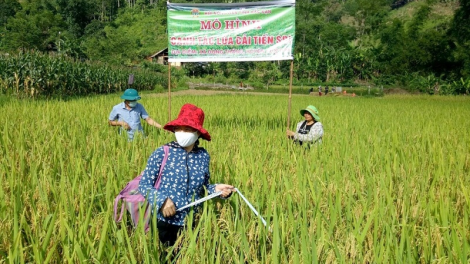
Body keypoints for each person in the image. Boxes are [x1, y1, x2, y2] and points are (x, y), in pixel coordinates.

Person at [138, 103, 235, 246]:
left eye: (188, 129)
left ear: (197, 133)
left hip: (193, 222)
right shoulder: (163, 152)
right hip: (165, 222)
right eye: (179, 128)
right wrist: (162, 201)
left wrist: (216, 189)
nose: (182, 132)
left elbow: (202, 188)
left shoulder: (203, 156)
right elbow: (144, 185)